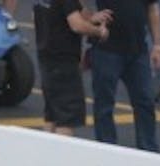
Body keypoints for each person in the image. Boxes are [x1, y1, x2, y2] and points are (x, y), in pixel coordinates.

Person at [90, 0, 160, 150]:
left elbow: (152, 8)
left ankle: (147, 150)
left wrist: (157, 45)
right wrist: (90, 17)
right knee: (104, 104)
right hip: (107, 49)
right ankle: (106, 149)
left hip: (137, 50)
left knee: (145, 101)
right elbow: (75, 3)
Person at [34, 0, 113, 136]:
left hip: (46, 56)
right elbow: (77, 25)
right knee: (67, 116)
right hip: (64, 60)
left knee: (52, 114)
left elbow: (47, 16)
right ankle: (61, 149)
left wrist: (91, 18)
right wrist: (99, 31)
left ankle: (45, 147)